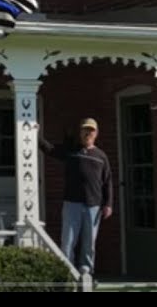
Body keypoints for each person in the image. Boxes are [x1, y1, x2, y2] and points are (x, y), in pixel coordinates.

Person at [40, 117, 113, 273]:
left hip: (93, 205)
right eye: (85, 130)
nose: (88, 133)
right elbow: (49, 149)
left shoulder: (101, 156)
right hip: (72, 203)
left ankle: (87, 271)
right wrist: (35, 134)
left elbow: (107, 182)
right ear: (80, 132)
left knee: (89, 242)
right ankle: (67, 271)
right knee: (68, 241)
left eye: (91, 130)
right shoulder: (71, 151)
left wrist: (108, 204)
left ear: (96, 133)